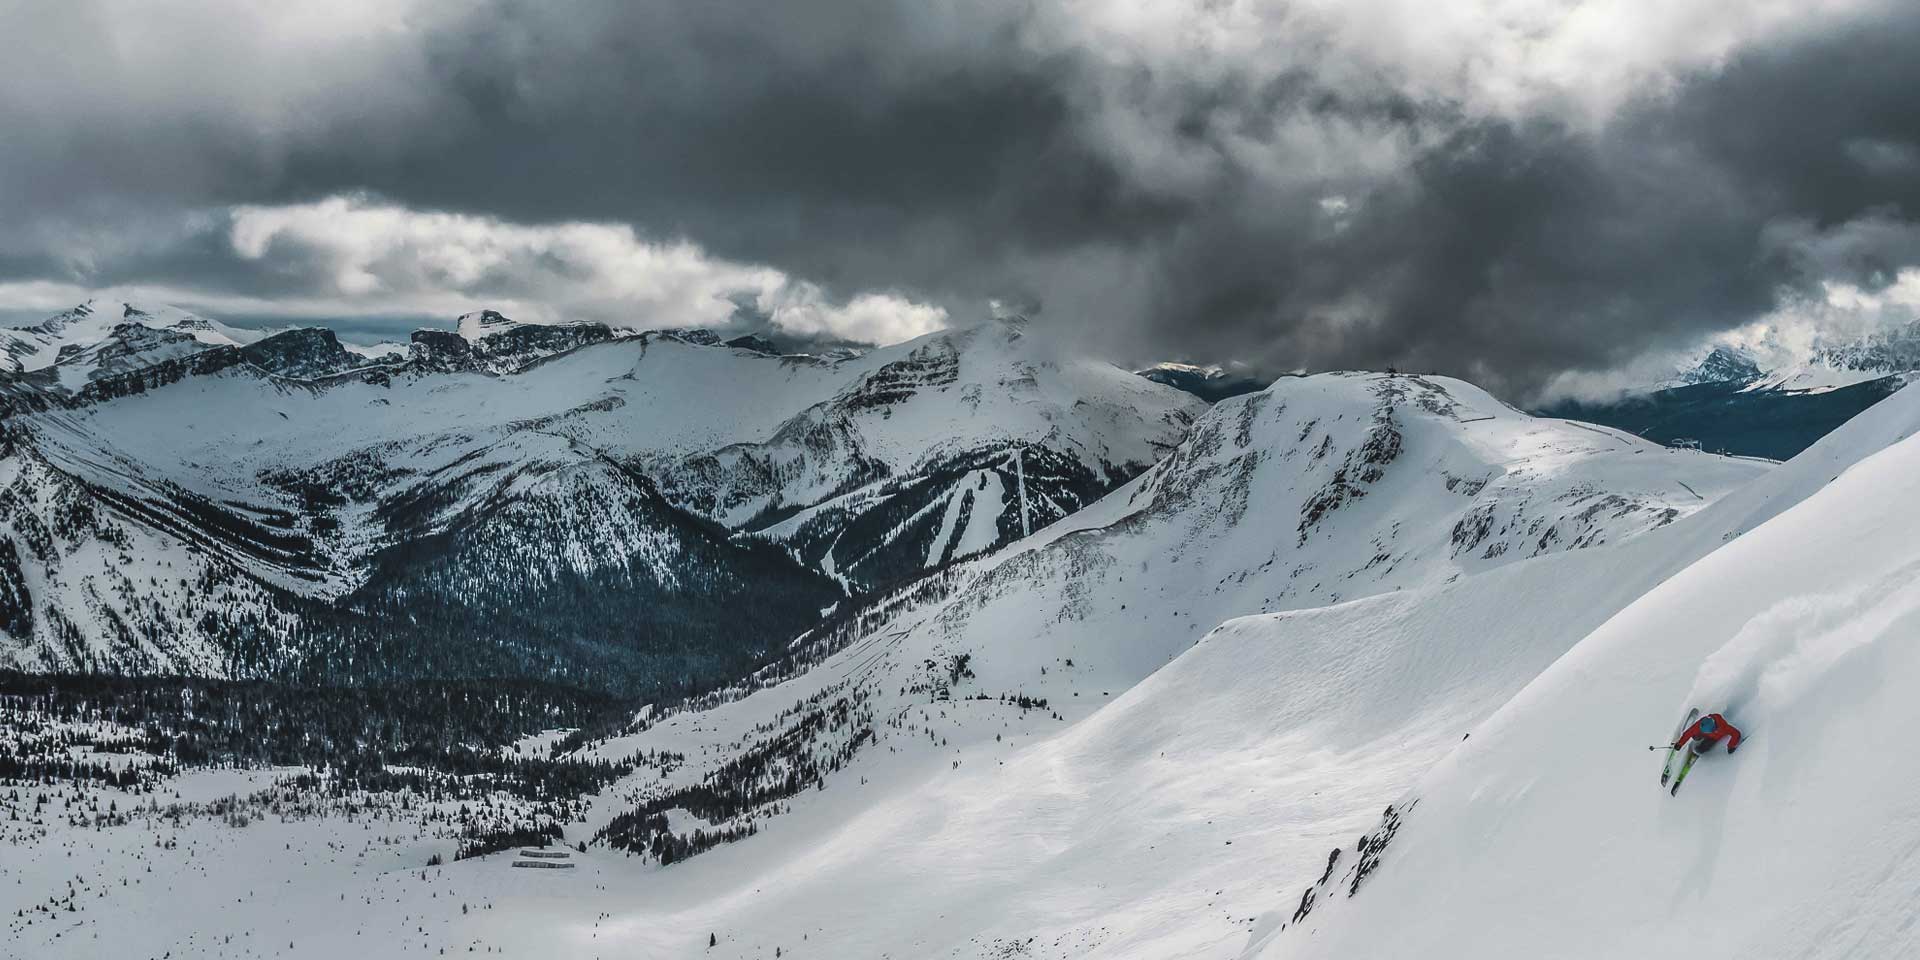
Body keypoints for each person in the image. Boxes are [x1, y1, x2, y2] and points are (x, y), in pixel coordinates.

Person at [1673, 712, 1742, 757]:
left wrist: (1731, 746)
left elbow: (1736, 733)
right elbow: (1688, 733)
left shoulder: (1723, 727)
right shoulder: (1700, 724)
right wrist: (1680, 743)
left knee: (1703, 748)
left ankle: (1697, 751)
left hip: (1713, 738)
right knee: (1695, 736)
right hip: (1703, 734)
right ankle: (1697, 741)